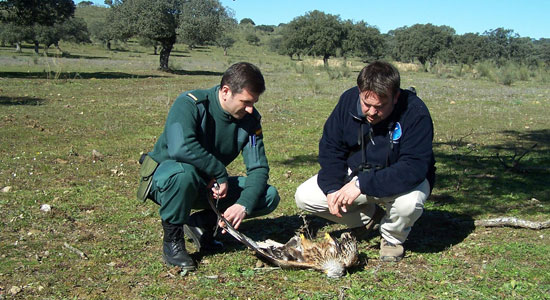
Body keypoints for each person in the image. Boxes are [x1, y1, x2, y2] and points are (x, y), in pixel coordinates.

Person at [295, 61, 435, 262]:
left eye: (379, 106)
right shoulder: (348, 100)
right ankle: (370, 217)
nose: (371, 112)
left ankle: (392, 239)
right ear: (360, 91)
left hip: (399, 177)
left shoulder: (415, 112)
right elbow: (331, 148)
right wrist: (333, 188)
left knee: (409, 204)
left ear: (395, 97)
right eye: (366, 104)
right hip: (357, 173)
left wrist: (363, 184)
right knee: (305, 197)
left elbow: (413, 167)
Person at [144, 62, 280, 270]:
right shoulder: (191, 104)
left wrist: (243, 204)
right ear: (226, 91)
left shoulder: (250, 120)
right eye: (245, 102)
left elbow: (258, 168)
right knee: (184, 174)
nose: (250, 108)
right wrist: (219, 172)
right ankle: (173, 241)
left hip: (206, 186)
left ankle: (201, 224)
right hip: (166, 180)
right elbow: (181, 148)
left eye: (254, 102)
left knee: (267, 195)